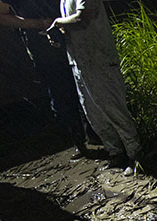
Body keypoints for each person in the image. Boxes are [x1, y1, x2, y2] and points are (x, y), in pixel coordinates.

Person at [48, 0, 141, 176]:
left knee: (112, 108)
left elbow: (83, 18)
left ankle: (135, 154)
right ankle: (116, 152)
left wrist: (58, 23)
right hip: (79, 60)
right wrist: (59, 34)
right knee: (93, 112)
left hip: (99, 59)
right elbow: (71, 23)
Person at [0, 0, 91, 159]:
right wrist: (37, 24)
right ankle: (78, 138)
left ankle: (96, 131)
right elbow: (1, 15)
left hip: (71, 29)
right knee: (60, 92)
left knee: (85, 81)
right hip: (40, 40)